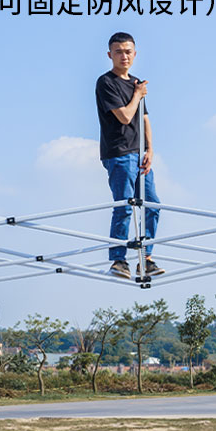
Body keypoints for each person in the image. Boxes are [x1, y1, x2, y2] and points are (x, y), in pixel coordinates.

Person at [95, 31, 163, 281]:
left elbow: (144, 117)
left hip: (139, 153)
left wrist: (150, 149)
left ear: (135, 54)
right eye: (119, 51)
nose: (124, 56)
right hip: (119, 153)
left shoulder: (136, 83)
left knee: (152, 204)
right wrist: (137, 95)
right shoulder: (106, 82)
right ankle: (118, 259)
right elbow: (124, 116)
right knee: (124, 205)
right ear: (110, 54)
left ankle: (146, 258)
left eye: (128, 51)